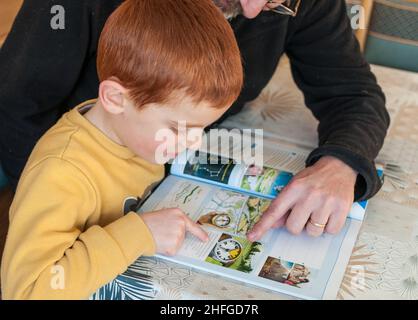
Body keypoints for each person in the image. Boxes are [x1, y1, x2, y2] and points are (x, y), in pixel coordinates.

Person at [0, 0, 390, 239]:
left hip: (151, 175)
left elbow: (353, 91)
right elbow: (16, 105)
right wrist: (67, 211)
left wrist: (343, 162)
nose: (254, 11)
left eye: (275, 1)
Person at [0, 0, 243, 299]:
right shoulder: (61, 173)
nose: (192, 142)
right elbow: (28, 292)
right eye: (180, 129)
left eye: (200, 129)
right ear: (115, 98)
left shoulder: (131, 134)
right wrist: (139, 234)